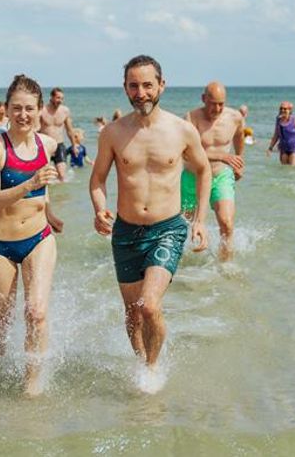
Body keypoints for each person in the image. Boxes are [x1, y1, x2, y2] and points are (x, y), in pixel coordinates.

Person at [89, 55, 210, 387]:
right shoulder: (112, 133)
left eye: (147, 85)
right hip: (125, 232)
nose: (141, 92)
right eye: (133, 85)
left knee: (148, 306)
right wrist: (99, 208)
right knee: (131, 314)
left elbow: (203, 170)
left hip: (167, 229)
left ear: (161, 85)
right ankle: (141, 365)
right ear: (125, 88)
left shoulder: (181, 130)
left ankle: (152, 371)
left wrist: (199, 219)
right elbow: (97, 179)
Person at [0, 74, 62, 397]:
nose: (23, 115)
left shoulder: (49, 144)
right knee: (3, 318)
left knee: (36, 312)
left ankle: (32, 385)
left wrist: (50, 212)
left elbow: (44, 189)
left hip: (39, 239)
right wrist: (30, 183)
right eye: (17, 108)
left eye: (30, 108)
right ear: (7, 110)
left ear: (40, 110)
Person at [183, 82, 245, 262]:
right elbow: (187, 153)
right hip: (193, 178)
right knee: (182, 225)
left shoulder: (235, 117)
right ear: (204, 99)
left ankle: (224, 266)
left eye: (221, 104)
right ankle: (181, 264)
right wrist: (222, 156)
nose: (217, 108)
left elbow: (239, 135)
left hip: (220, 176)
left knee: (226, 224)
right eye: (212, 103)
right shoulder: (191, 118)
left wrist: (239, 161)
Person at [39, 88, 75, 181]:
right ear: (51, 97)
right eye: (58, 98)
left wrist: (74, 145)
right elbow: (35, 129)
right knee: (44, 176)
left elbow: (69, 130)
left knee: (62, 175)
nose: (60, 101)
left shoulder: (65, 111)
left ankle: (61, 195)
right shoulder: (42, 110)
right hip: (44, 145)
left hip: (59, 145)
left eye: (62, 98)